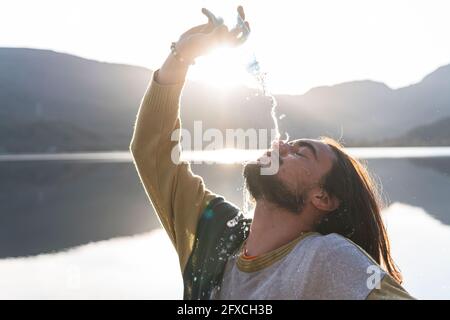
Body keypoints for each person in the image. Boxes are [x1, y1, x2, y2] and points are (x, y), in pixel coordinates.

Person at [130, 6, 414, 300]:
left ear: (323, 198)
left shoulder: (326, 259)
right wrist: (182, 56)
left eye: (300, 153)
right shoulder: (214, 233)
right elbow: (152, 152)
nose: (279, 145)